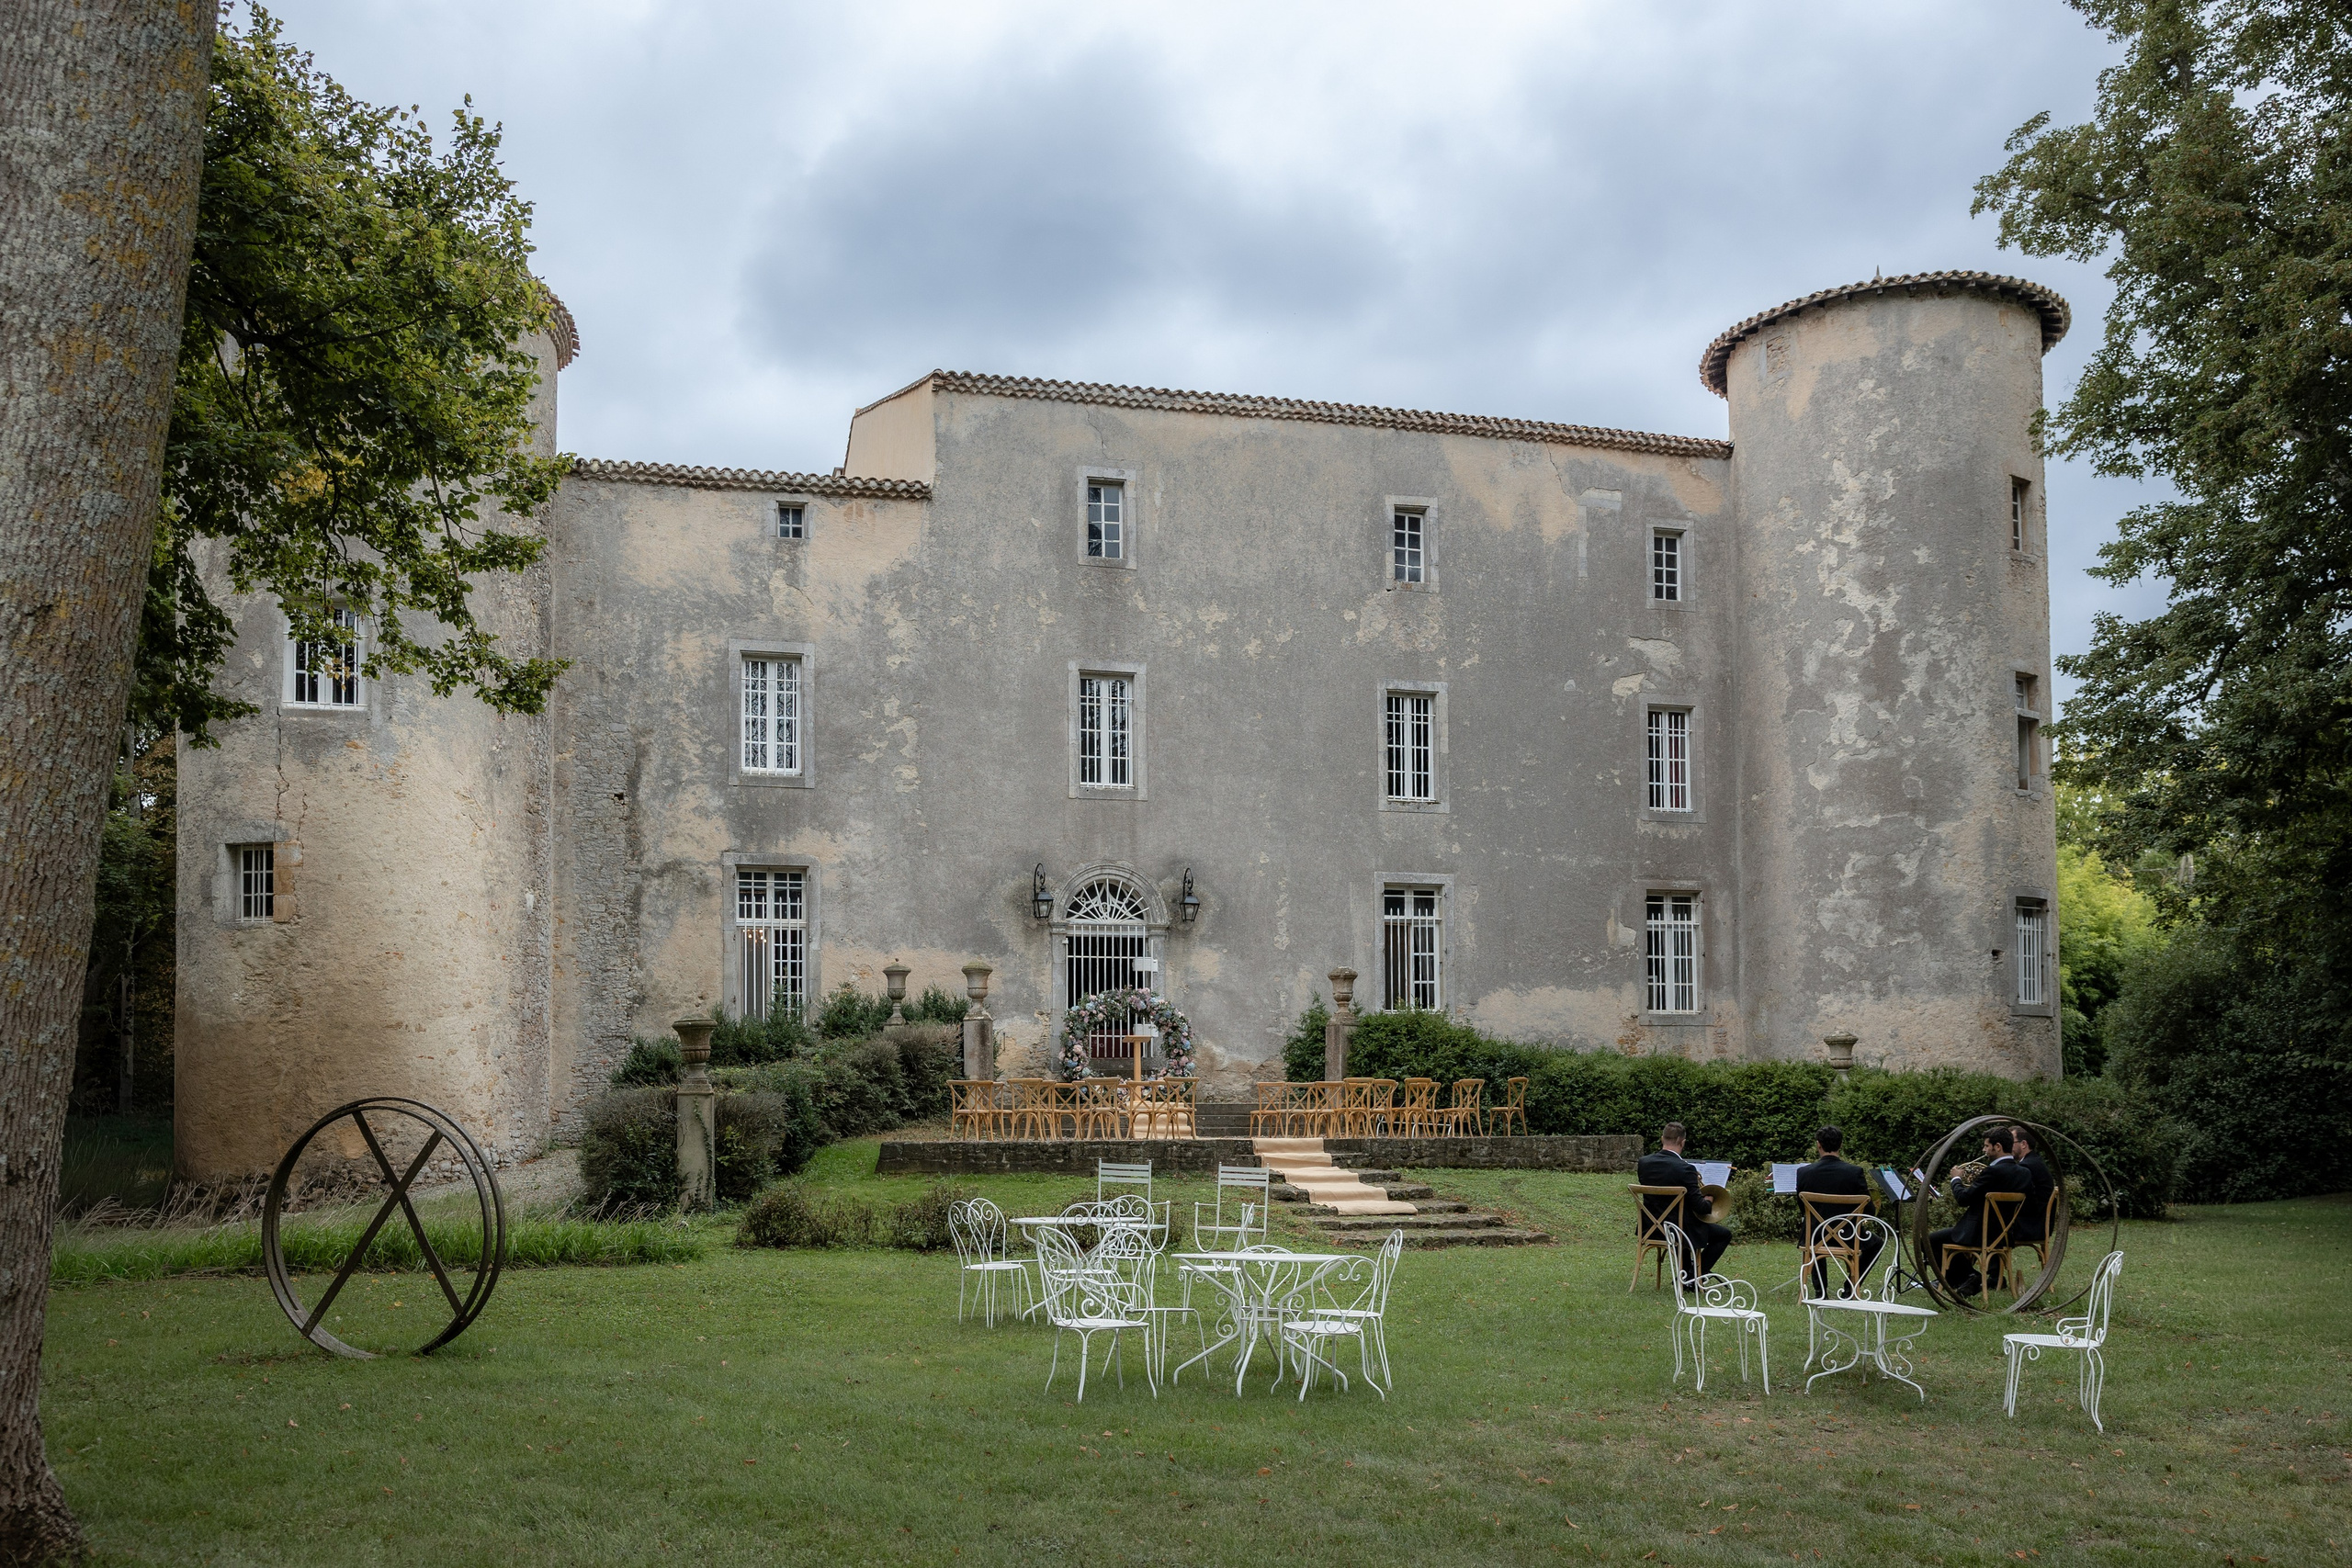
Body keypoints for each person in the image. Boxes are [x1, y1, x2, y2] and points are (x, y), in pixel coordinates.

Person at [1926, 1126, 2031, 1296]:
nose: (1984, 1150)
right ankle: (1967, 1278)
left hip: (1981, 1233)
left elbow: (1963, 1199)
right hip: (2005, 1234)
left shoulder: (1992, 1171)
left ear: (1997, 1147)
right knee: (1942, 1238)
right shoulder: (2024, 1173)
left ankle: (1970, 1277)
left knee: (1930, 1240)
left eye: (1986, 1146)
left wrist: (1956, 1178)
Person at [1636, 1121, 1729, 1283]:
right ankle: (1694, 1276)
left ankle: (1686, 1275)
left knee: (1685, 1222)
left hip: (1651, 1228)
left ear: (1662, 1139)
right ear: (1682, 1142)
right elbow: (1701, 1208)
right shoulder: (1686, 1169)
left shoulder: (1644, 1163)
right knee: (1723, 1235)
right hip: (1678, 1231)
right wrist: (1708, 1199)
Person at [1794, 1124, 1880, 1295]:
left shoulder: (1804, 1172)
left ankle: (1821, 1292)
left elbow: (1803, 1209)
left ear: (1818, 1145)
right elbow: (1868, 1211)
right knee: (1877, 1243)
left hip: (1815, 1237)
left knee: (1814, 1231)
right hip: (1848, 1237)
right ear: (1841, 1145)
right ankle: (1850, 1287)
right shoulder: (1854, 1172)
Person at [2009, 1126, 2056, 1248]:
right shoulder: (2033, 1161)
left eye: (2010, 1143)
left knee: (1987, 1229)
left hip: (2031, 1226)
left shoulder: (2027, 1166)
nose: (2007, 1147)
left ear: (2023, 1144)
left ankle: (1991, 1267)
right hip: (2035, 1223)